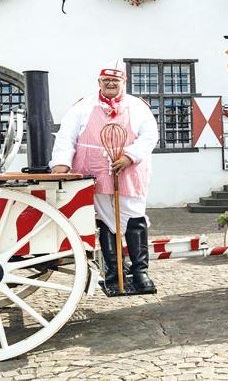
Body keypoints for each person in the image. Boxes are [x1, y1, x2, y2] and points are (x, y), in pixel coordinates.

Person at [50, 60, 159, 294]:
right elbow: (66, 136)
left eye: (115, 80)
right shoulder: (83, 106)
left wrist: (129, 156)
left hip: (129, 172)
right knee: (106, 219)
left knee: (133, 216)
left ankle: (140, 272)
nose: (110, 83)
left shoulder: (137, 106)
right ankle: (114, 270)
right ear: (99, 82)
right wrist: (61, 163)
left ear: (123, 82)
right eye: (106, 80)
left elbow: (150, 136)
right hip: (95, 170)